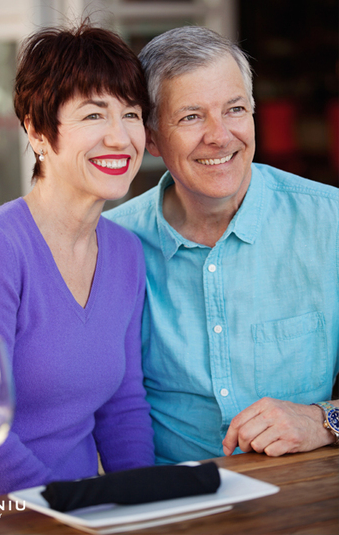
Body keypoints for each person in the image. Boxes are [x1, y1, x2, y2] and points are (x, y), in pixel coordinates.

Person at [105, 26, 339, 465]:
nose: (219, 135)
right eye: (191, 117)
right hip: (173, 510)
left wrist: (323, 421)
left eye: (234, 109)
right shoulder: (111, 245)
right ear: (151, 137)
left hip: (306, 508)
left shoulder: (331, 223)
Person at [0, 22, 155, 497]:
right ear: (38, 131)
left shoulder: (126, 253)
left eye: (131, 114)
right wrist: (64, 514)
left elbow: (123, 407)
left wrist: (145, 505)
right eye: (93, 116)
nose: (120, 137)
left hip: (82, 511)